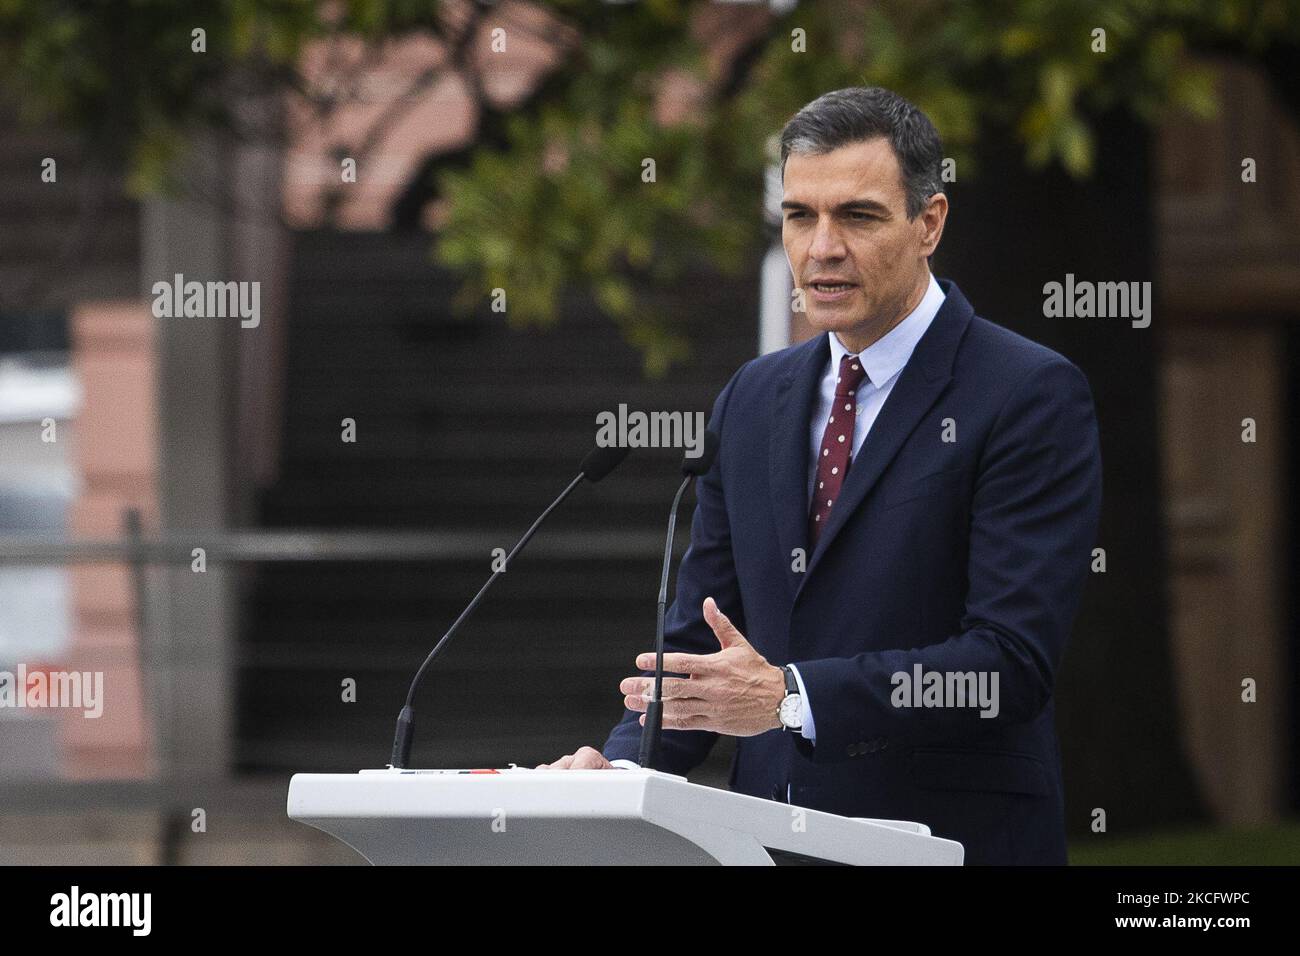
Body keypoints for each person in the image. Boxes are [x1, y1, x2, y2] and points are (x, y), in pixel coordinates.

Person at [540, 86, 1102, 865]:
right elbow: (706, 644)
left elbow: (1006, 664)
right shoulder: (753, 397)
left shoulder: (1027, 393)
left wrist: (793, 699)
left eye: (859, 216)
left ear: (929, 222)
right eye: (800, 215)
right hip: (765, 844)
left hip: (951, 844)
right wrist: (621, 769)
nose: (821, 248)